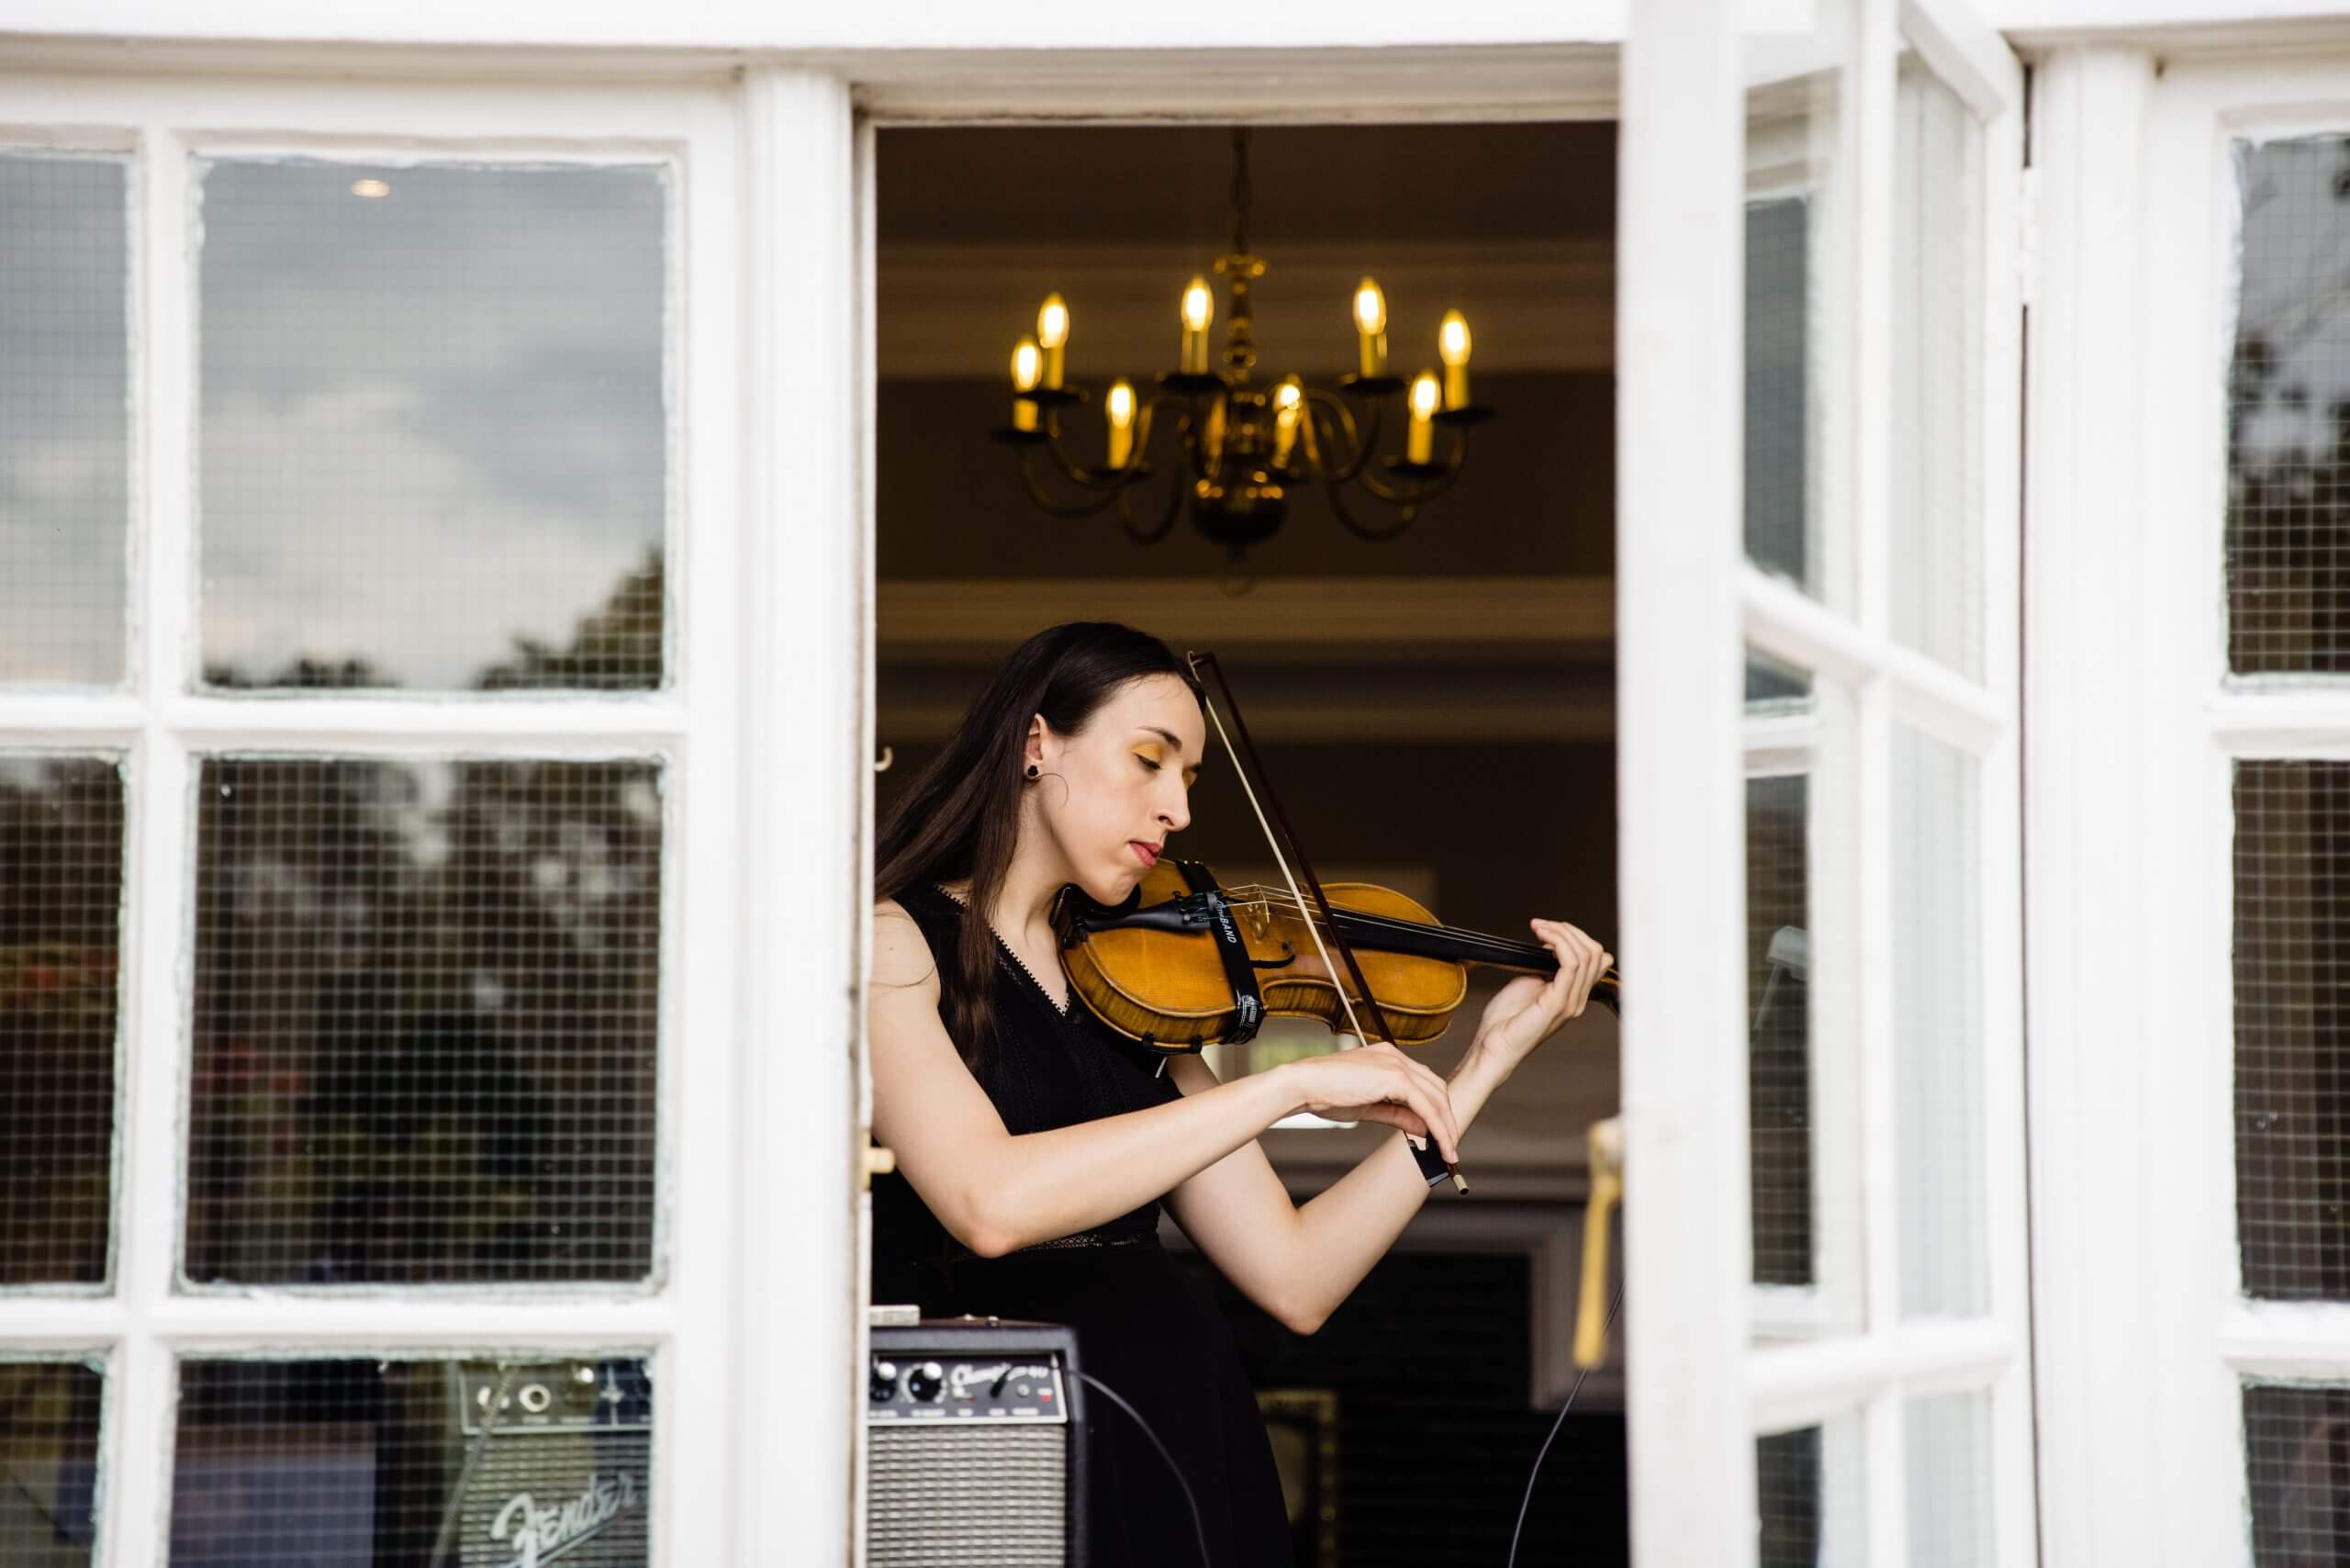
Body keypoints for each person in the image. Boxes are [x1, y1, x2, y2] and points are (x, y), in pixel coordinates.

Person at [867, 622, 1613, 1567]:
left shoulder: (1124, 986)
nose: (1176, 807)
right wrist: (1288, 1083)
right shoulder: (895, 944)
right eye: (1149, 760)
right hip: (989, 1442)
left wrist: (1483, 1067)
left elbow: (1296, 1278)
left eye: (1190, 780)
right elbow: (990, 1203)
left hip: (1173, 1411)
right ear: (1035, 742)